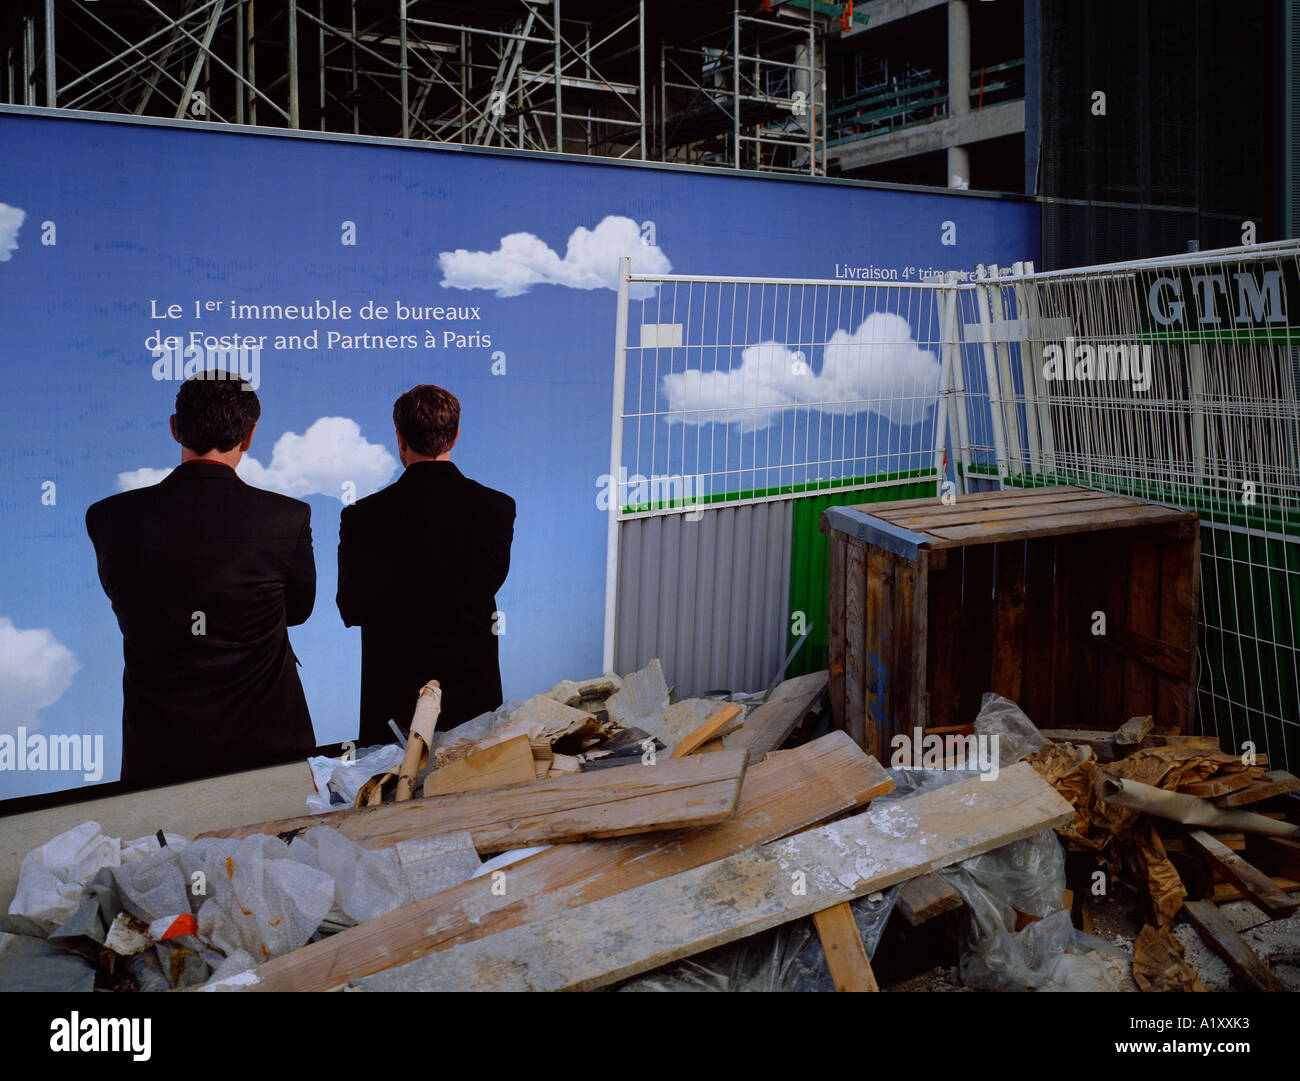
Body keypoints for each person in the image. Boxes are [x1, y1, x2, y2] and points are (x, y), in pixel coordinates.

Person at [86, 371, 316, 783]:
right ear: (249, 436)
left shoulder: (108, 518)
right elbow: (297, 611)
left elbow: (130, 604)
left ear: (176, 428)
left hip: (158, 757)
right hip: (272, 756)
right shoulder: (288, 518)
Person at [337, 384, 515, 745]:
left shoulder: (362, 517)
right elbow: (484, 584)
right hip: (473, 707)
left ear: (400, 439)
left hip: (393, 708)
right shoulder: (497, 508)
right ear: (456, 435)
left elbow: (351, 608)